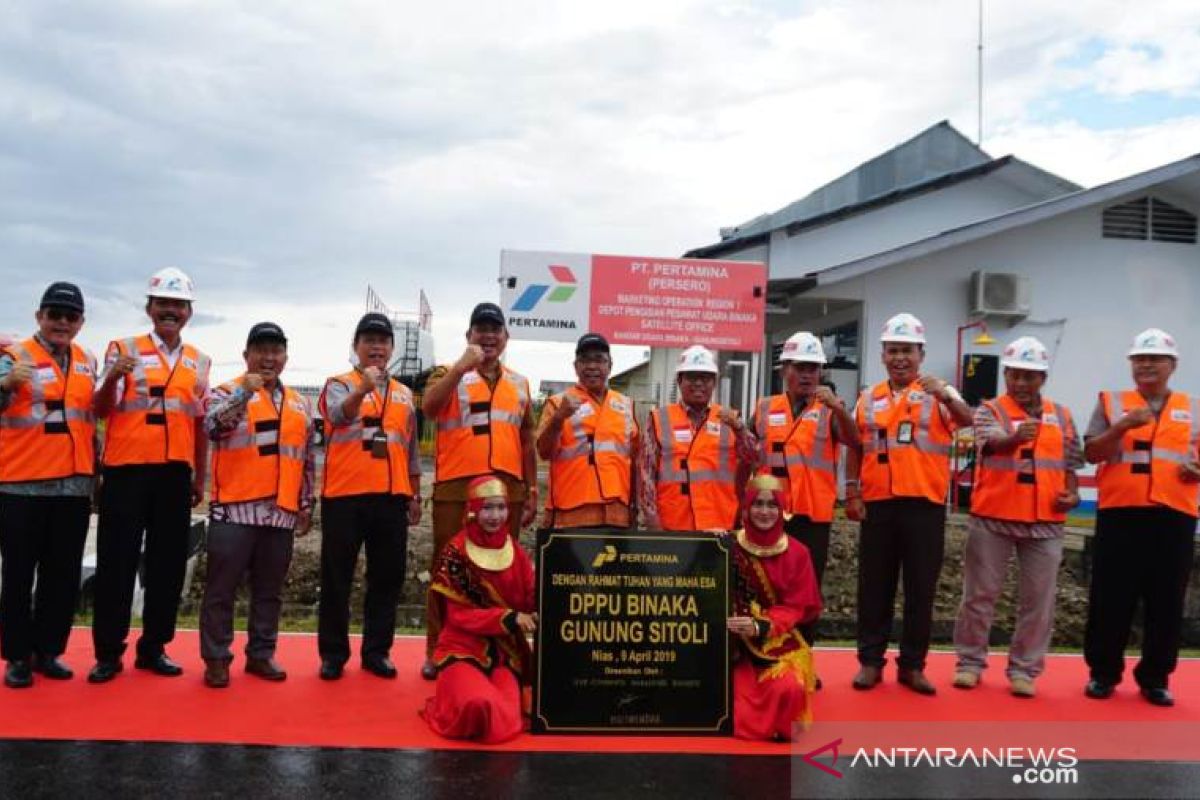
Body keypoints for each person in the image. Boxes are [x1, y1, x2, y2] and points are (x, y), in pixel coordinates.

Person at [89, 267, 211, 683]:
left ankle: (154, 647)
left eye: (178, 305)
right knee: (116, 564)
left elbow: (199, 424)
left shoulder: (198, 361)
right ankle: (108, 652)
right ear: (149, 307)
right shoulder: (122, 349)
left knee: (167, 566)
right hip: (126, 471)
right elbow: (101, 409)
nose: (170, 311)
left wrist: (200, 478)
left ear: (189, 311)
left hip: (174, 474)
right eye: (163, 304)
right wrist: (112, 379)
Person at [845, 313, 973, 695]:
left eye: (908, 351)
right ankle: (870, 662)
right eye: (893, 351)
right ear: (883, 355)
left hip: (924, 504)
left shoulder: (940, 394)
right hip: (879, 505)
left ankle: (913, 666)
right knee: (874, 587)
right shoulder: (868, 399)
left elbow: (968, 422)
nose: (901, 358)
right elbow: (854, 446)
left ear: (921, 354)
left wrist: (946, 394)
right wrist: (852, 491)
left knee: (921, 589)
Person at [952, 336, 1082, 698]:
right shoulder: (988, 410)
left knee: (1039, 601)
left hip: (1046, 523)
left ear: (1043, 378)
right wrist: (1014, 437)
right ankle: (969, 663)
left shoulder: (1064, 415)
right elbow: (991, 441)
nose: (1022, 384)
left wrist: (1071, 494)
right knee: (979, 596)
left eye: (1030, 376)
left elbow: (1071, 463)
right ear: (1005, 374)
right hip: (994, 518)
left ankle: (1024, 670)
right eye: (1015, 376)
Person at [1082, 328, 1200, 708]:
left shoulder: (1195, 409)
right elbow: (1092, 453)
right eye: (1139, 359)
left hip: (1174, 516)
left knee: (1167, 600)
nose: (1146, 365)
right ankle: (1103, 674)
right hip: (1121, 513)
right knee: (1111, 598)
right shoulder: (1111, 403)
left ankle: (1155, 677)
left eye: (1154, 359)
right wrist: (1121, 427)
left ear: (1173, 365)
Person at [421, 302, 535, 679]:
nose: (488, 336)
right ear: (469, 335)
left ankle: (502, 648)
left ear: (505, 337)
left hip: (507, 492)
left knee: (504, 572)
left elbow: (527, 440)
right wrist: (459, 368)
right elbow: (430, 408)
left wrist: (531, 488)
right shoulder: (447, 373)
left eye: (495, 330)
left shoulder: (519, 383)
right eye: (480, 329)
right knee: (447, 571)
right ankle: (437, 648)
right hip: (457, 487)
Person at [199, 323, 316, 688]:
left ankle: (261, 654)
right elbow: (212, 427)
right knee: (221, 589)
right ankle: (216, 658)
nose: (268, 358)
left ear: (285, 357)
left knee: (270, 590)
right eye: (261, 350)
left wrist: (306, 503)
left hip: (280, 512)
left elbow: (307, 458)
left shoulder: (299, 403)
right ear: (246, 354)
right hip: (235, 508)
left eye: (276, 351)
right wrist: (242, 395)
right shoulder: (224, 391)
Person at [0, 283, 96, 688]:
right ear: (39, 315)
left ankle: (48, 651)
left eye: (70, 316)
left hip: (72, 488)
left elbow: (92, 419)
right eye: (54, 314)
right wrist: (5, 385)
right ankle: (17, 656)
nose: (61, 322)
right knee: (19, 576)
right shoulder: (11, 356)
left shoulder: (88, 360)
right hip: (22, 486)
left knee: (61, 577)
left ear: (80, 322)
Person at [317, 312, 422, 681]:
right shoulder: (338, 384)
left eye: (383, 341)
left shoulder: (405, 394)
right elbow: (337, 416)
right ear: (356, 346)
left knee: (387, 578)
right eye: (369, 340)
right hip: (344, 496)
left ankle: (377, 651)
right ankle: (333, 654)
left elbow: (408, 448)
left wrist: (414, 493)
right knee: (336, 577)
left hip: (391, 497)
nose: (376, 347)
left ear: (392, 348)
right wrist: (363, 388)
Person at [751, 331, 858, 653]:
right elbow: (747, 450)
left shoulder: (830, 410)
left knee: (807, 590)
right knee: (768, 586)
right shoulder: (765, 407)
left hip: (813, 515)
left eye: (814, 368)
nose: (808, 375)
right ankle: (766, 651)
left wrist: (839, 409)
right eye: (801, 367)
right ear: (785, 370)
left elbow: (855, 442)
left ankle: (803, 656)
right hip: (770, 514)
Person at [423, 475, 536, 744]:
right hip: (462, 650)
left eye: (500, 507)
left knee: (505, 717)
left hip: (504, 655)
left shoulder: (515, 552)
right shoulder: (456, 553)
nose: (495, 516)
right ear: (472, 510)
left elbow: (530, 599)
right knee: (478, 706)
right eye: (486, 508)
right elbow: (459, 616)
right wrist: (509, 619)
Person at [727, 474, 821, 741]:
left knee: (789, 690)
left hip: (776, 645)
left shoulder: (798, 553)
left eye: (772, 505)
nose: (764, 512)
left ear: (782, 510)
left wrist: (761, 625)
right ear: (746, 508)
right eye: (758, 504)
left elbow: (797, 606)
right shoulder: (728, 546)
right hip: (734, 649)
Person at [640, 345, 758, 532]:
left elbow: (754, 457)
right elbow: (646, 475)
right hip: (673, 525)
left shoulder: (731, 419)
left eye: (705, 378)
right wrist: (653, 523)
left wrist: (740, 429)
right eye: (691, 377)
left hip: (719, 524)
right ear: (679, 381)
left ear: (714, 382)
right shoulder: (658, 418)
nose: (698, 384)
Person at [536, 332, 639, 529]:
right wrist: (559, 418)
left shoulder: (626, 405)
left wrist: (633, 507)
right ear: (576, 367)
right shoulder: (557, 403)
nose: (592, 366)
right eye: (585, 360)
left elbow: (634, 462)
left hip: (617, 514)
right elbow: (544, 451)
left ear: (610, 366)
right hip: (571, 512)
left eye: (599, 360)